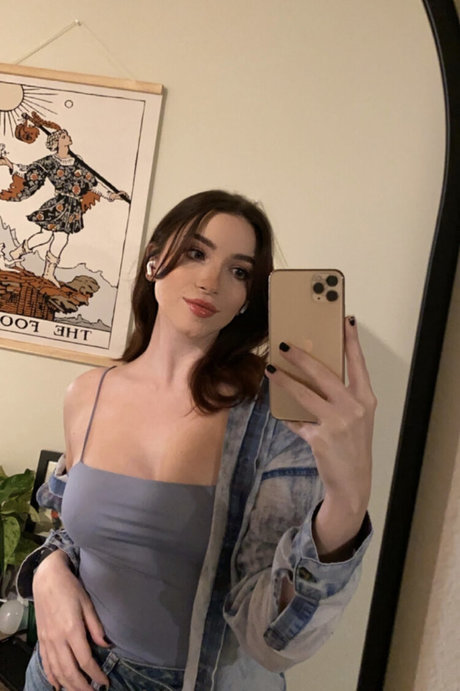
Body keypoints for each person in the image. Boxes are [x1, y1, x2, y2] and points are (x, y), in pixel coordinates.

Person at [17, 190, 375, 691]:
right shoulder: (87, 393)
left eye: (239, 271)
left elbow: (273, 638)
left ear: (248, 297)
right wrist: (48, 571)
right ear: (154, 261)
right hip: (60, 672)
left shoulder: (274, 418)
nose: (211, 280)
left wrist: (347, 501)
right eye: (195, 253)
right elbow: (70, 528)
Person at [0, 128, 125, 286]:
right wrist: (9, 164)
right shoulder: (50, 162)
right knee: (49, 236)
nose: (69, 137)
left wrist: (111, 195)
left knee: (57, 237)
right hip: (60, 204)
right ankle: (36, 265)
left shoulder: (77, 161)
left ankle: (28, 260)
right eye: (64, 136)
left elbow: (92, 183)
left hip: (74, 207)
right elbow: (29, 171)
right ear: (57, 142)